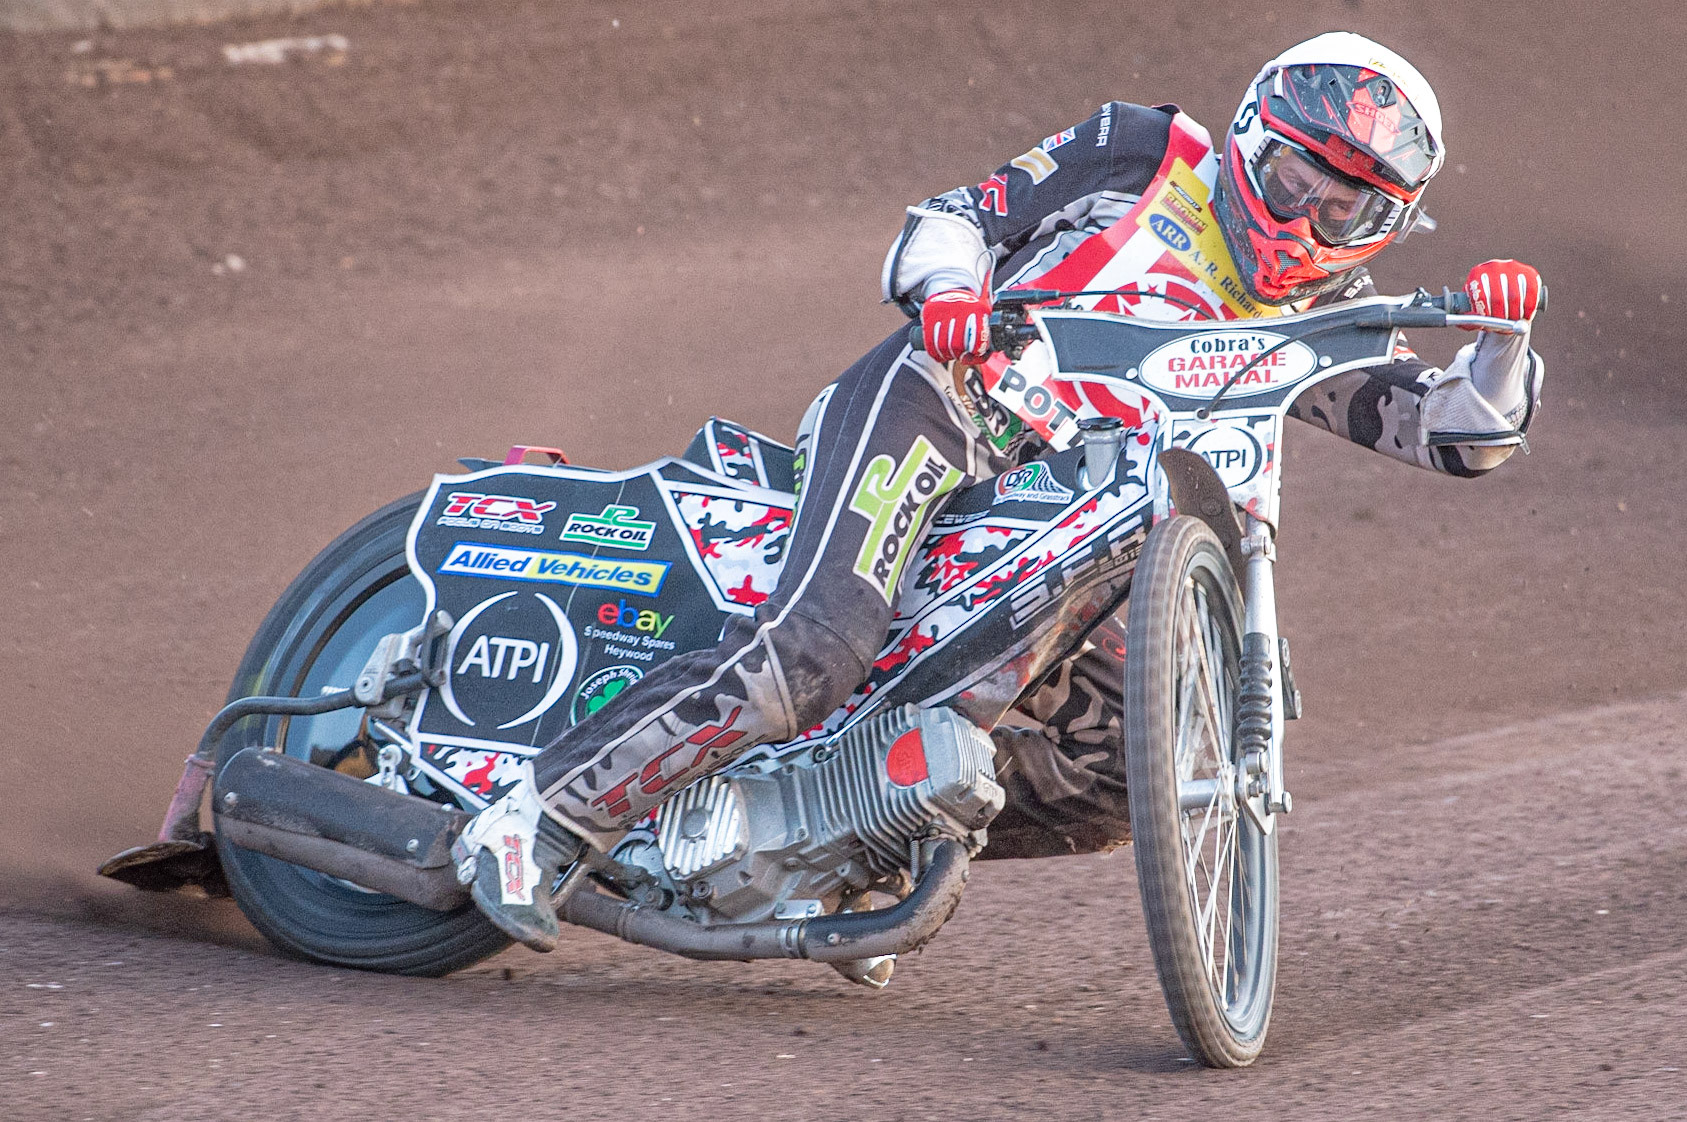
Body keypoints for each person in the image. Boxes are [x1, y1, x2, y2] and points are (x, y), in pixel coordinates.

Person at [452, 31, 1547, 951]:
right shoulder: (1143, 152)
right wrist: (950, 294)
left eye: (1347, 215)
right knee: (818, 648)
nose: (1307, 223)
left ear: (1388, 230)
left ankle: (843, 836)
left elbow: (1454, 434)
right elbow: (954, 216)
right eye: (1291, 182)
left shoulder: (1318, 327)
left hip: (1083, 532)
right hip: (949, 407)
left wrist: (1503, 340)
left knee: (1124, 770)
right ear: (1251, 140)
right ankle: (536, 822)